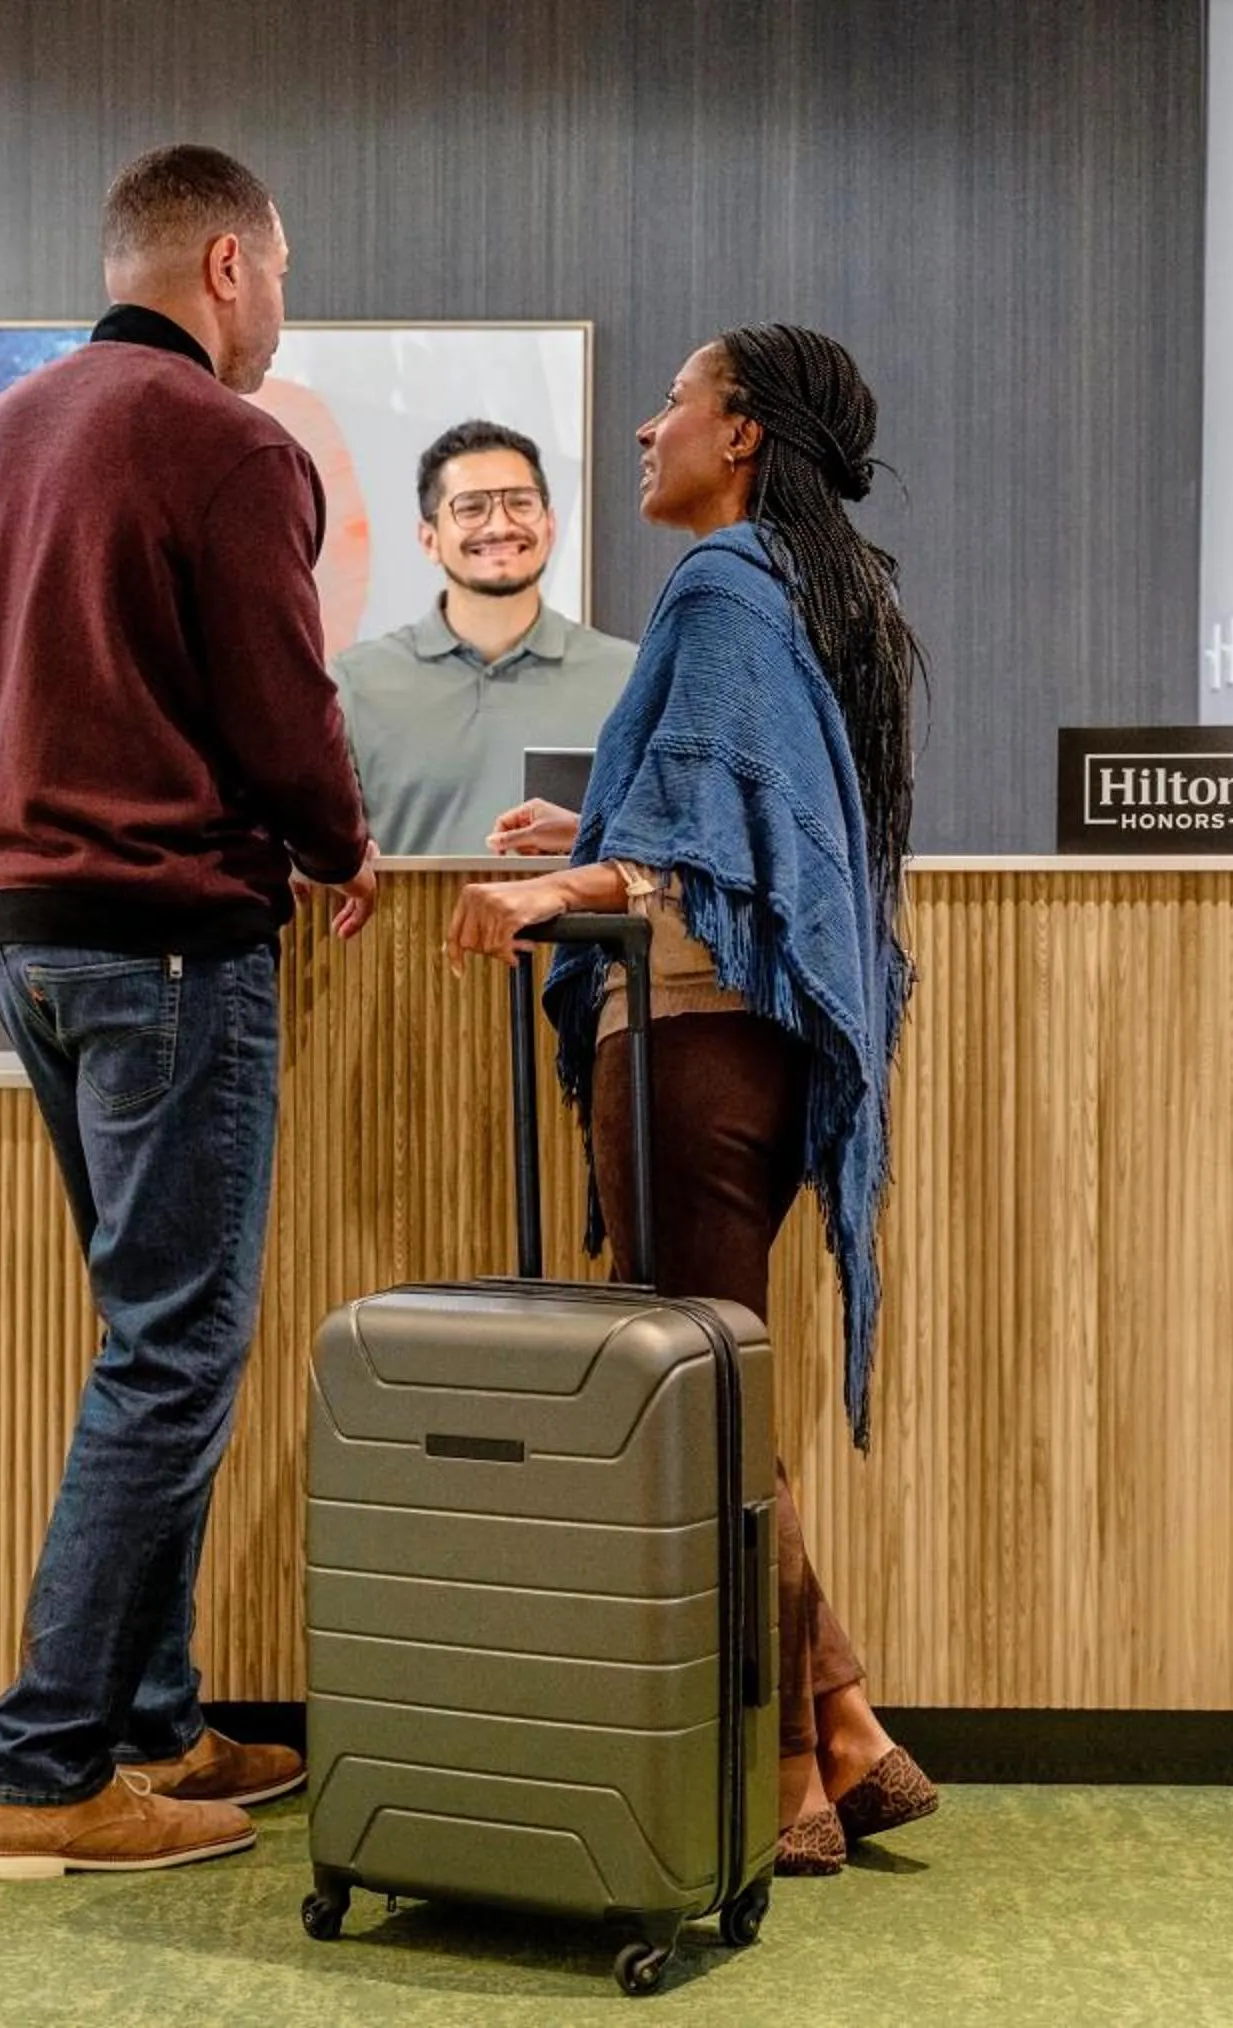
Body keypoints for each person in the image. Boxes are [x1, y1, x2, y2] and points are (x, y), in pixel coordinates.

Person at [447, 324, 937, 1875]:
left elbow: (706, 845)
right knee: (723, 1396)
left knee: (711, 1416)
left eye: (675, 401)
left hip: (684, 1048)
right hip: (757, 1056)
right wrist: (586, 817)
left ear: (741, 436)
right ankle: (843, 1719)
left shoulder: (723, 585)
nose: (647, 427)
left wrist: (560, 889)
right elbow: (732, 798)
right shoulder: (810, 587)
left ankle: (794, 1762)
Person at [0, 143, 381, 1880]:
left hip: (23, 929)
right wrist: (341, 843)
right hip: (169, 940)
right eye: (279, 274)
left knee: (149, 1331)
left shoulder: (7, 430)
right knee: (176, 1347)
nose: (283, 310)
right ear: (223, 264)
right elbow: (282, 705)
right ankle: (43, 1767)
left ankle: (151, 1718)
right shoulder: (226, 439)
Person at [329, 421, 635, 855]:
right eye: (471, 508)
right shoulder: (354, 684)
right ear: (429, 538)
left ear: (549, 525)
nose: (500, 525)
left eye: (520, 503)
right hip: (414, 925)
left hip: (577, 925)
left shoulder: (628, 678)